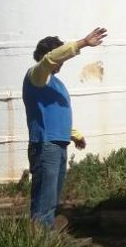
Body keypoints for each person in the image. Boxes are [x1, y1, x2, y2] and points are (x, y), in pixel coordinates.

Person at [23, 26, 107, 227]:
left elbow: (56, 114)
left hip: (58, 145)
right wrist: (83, 43)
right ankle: (38, 246)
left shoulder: (56, 83)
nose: (61, 62)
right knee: (44, 200)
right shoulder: (36, 75)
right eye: (59, 58)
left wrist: (74, 134)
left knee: (51, 200)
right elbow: (49, 60)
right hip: (45, 145)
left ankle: (45, 241)